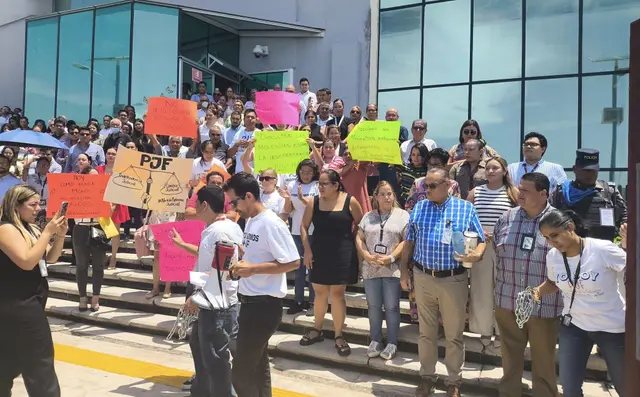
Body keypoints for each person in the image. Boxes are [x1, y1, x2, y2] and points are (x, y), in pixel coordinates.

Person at [400, 167, 485, 397]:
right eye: (425, 186)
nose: (426, 190)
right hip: (423, 276)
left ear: (447, 185)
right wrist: (404, 272)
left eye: (432, 186)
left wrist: (476, 254)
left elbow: (481, 240)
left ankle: (453, 381)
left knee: (453, 334)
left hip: (453, 279)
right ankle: (427, 377)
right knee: (426, 333)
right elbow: (409, 242)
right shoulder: (419, 207)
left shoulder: (465, 208)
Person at [224, 172, 300, 397]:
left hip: (264, 307)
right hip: (248, 303)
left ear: (248, 196)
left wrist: (253, 269)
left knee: (240, 373)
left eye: (234, 201)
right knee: (258, 367)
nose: (233, 207)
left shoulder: (271, 223)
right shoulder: (250, 220)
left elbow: (293, 261)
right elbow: (258, 258)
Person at [492, 172, 561, 397]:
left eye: (525, 191)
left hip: (544, 305)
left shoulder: (559, 222)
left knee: (543, 363)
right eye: (519, 189)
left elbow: (566, 262)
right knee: (510, 361)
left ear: (543, 194)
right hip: (507, 301)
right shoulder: (506, 218)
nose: (519, 194)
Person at [172, 185, 242, 397]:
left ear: (205, 205)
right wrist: (182, 245)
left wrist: (196, 298)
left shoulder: (218, 231)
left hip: (215, 305)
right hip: (216, 301)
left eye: (195, 203)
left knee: (216, 363)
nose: (192, 208)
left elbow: (219, 270)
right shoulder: (226, 227)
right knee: (201, 350)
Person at [0, 185, 67, 397]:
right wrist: (47, 231)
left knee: (8, 360)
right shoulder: (6, 228)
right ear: (16, 206)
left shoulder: (32, 228)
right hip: (19, 303)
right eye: (32, 205)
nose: (38, 208)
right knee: (40, 361)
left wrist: (60, 236)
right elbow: (27, 262)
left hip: (30, 300)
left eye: (39, 203)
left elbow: (50, 257)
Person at [300, 169, 364, 356]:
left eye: (324, 183)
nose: (320, 187)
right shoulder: (314, 202)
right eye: (319, 183)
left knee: (337, 294)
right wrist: (307, 250)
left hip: (343, 252)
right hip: (318, 251)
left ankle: (338, 335)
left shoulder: (350, 201)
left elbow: (361, 225)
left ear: (336, 185)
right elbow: (303, 226)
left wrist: (353, 243)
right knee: (319, 292)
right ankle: (317, 329)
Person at [465, 156, 518, 347]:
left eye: (495, 168)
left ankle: (502, 330)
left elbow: (520, 220)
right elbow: (466, 218)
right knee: (481, 289)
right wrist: (478, 233)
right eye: (488, 168)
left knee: (503, 291)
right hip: (481, 246)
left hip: (505, 246)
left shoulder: (513, 193)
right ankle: (484, 330)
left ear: (504, 171)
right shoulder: (475, 192)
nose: (491, 171)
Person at [355, 181, 409, 360]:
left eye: (390, 193)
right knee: (374, 307)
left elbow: (405, 241)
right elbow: (359, 237)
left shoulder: (403, 216)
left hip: (391, 268)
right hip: (371, 268)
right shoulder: (368, 216)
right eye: (383, 194)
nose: (387, 197)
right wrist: (365, 254)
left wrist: (391, 257)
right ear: (376, 197)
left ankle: (392, 342)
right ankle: (376, 339)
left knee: (392, 308)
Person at [550, 149, 627, 242]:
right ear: (575, 169)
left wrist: (625, 229)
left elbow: (624, 216)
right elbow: (549, 219)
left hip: (602, 249)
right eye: (585, 170)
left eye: (593, 170)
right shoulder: (561, 191)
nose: (590, 174)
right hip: (571, 249)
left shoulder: (609, 191)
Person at [281, 159, 319, 315]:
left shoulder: (317, 186)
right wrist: (287, 198)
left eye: (309, 172)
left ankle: (312, 302)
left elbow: (317, 207)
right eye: (303, 172)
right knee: (299, 269)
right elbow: (289, 209)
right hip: (296, 232)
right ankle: (298, 301)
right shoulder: (292, 185)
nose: (306, 175)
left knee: (312, 269)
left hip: (313, 232)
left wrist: (303, 199)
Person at [73, 154, 105, 312]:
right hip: (80, 228)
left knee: (98, 266)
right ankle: (82, 297)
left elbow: (110, 209)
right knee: (81, 266)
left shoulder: (103, 193)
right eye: (91, 178)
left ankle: (96, 298)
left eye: (96, 178)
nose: (94, 181)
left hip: (98, 228)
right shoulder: (75, 190)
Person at [96, 147, 131, 270]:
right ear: (105, 155)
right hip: (101, 203)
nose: (111, 156)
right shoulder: (98, 169)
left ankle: (113, 257)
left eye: (113, 154)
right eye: (109, 153)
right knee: (100, 232)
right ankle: (100, 256)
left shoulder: (122, 170)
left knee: (115, 232)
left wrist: (115, 202)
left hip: (117, 203)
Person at [396, 143, 429, 207]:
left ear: (424, 156)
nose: (415, 158)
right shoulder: (404, 168)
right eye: (413, 155)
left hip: (421, 205)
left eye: (419, 155)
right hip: (403, 204)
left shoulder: (428, 172)